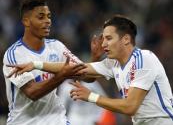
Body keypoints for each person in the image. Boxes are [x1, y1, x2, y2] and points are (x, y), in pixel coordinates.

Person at [6, 15, 173, 125]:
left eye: (108, 38)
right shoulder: (113, 64)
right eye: (103, 39)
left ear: (126, 39)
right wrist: (36, 64)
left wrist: (90, 96)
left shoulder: (144, 58)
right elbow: (77, 68)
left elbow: (130, 107)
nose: (104, 44)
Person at [3, 0, 86, 125]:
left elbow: (85, 73)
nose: (47, 21)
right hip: (24, 121)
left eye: (49, 16)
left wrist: (95, 59)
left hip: (56, 119)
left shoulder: (57, 47)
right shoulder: (14, 54)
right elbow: (32, 92)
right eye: (41, 17)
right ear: (26, 21)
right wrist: (62, 75)